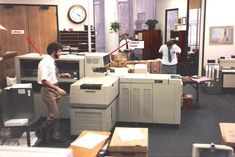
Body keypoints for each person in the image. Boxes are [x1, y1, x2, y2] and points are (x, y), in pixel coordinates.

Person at [37, 42, 70, 143]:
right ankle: (41, 130)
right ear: (53, 51)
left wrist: (63, 75)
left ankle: (55, 136)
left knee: (55, 115)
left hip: (54, 88)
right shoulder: (44, 63)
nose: (61, 53)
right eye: (59, 51)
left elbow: (52, 75)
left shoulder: (51, 61)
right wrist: (58, 89)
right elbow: (44, 80)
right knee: (54, 115)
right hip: (48, 90)